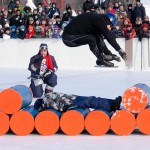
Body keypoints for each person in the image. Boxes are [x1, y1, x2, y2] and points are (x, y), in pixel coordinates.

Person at [62, 12, 127, 67]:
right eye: (111, 26)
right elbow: (108, 36)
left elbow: (101, 41)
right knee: (92, 39)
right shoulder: (99, 20)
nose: (110, 29)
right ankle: (100, 59)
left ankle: (102, 59)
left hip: (72, 36)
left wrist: (109, 54)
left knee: (97, 38)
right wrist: (119, 50)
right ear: (108, 20)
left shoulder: (98, 21)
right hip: (68, 37)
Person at [34, 91, 122, 112]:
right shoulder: (46, 101)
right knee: (91, 101)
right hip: (71, 102)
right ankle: (111, 104)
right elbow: (58, 106)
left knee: (91, 100)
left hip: (72, 100)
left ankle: (112, 103)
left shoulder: (46, 99)